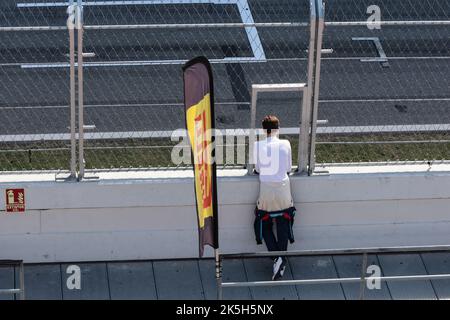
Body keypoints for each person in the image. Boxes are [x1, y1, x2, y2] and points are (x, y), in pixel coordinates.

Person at [253, 115, 296, 281]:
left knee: (263, 222)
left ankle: (277, 257)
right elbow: (287, 168)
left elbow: (257, 169)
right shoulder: (286, 143)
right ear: (278, 128)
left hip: (266, 190)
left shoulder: (257, 145)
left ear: (264, 130)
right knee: (284, 220)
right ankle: (281, 258)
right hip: (284, 188)